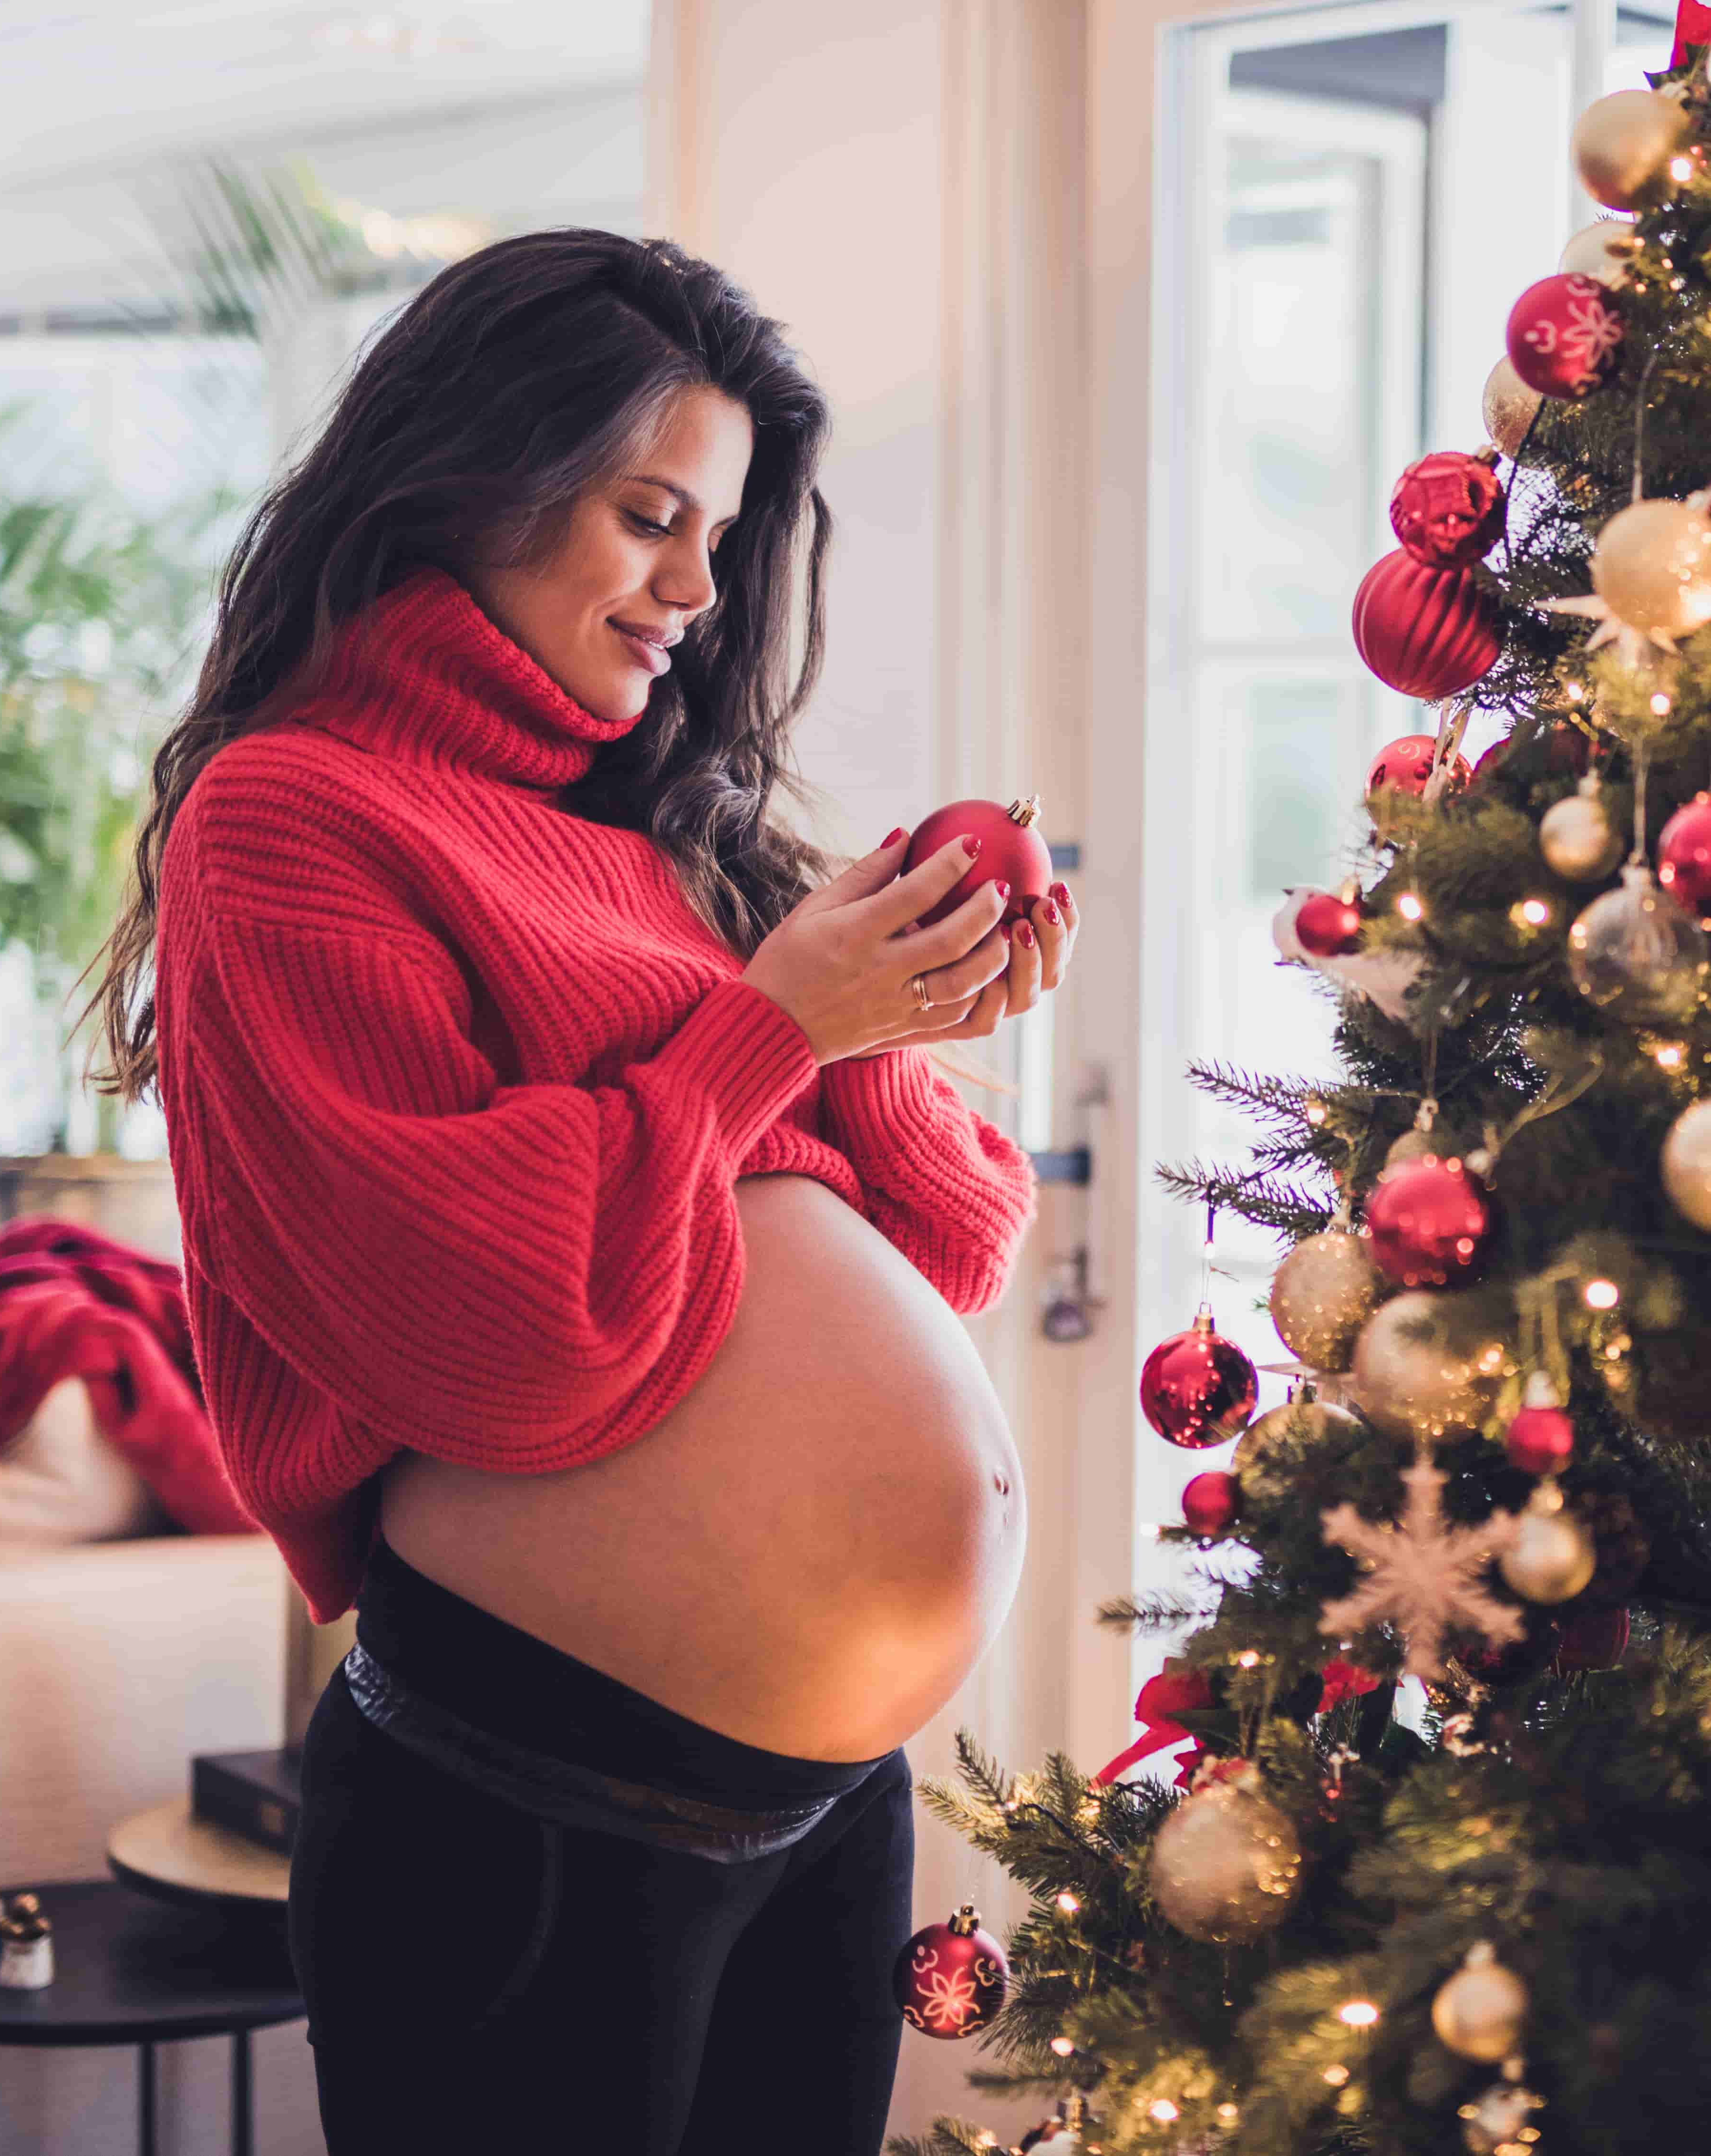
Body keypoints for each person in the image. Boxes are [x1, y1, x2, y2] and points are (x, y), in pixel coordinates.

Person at [82, 229, 1059, 2156]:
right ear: (474, 477)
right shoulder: (290, 818)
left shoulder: (663, 834)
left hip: (831, 1800)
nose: (695, 589)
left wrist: (879, 1005)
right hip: (526, 1799)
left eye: (720, 533)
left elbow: (941, 1243)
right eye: (647, 515)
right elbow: (493, 1333)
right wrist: (769, 1032)